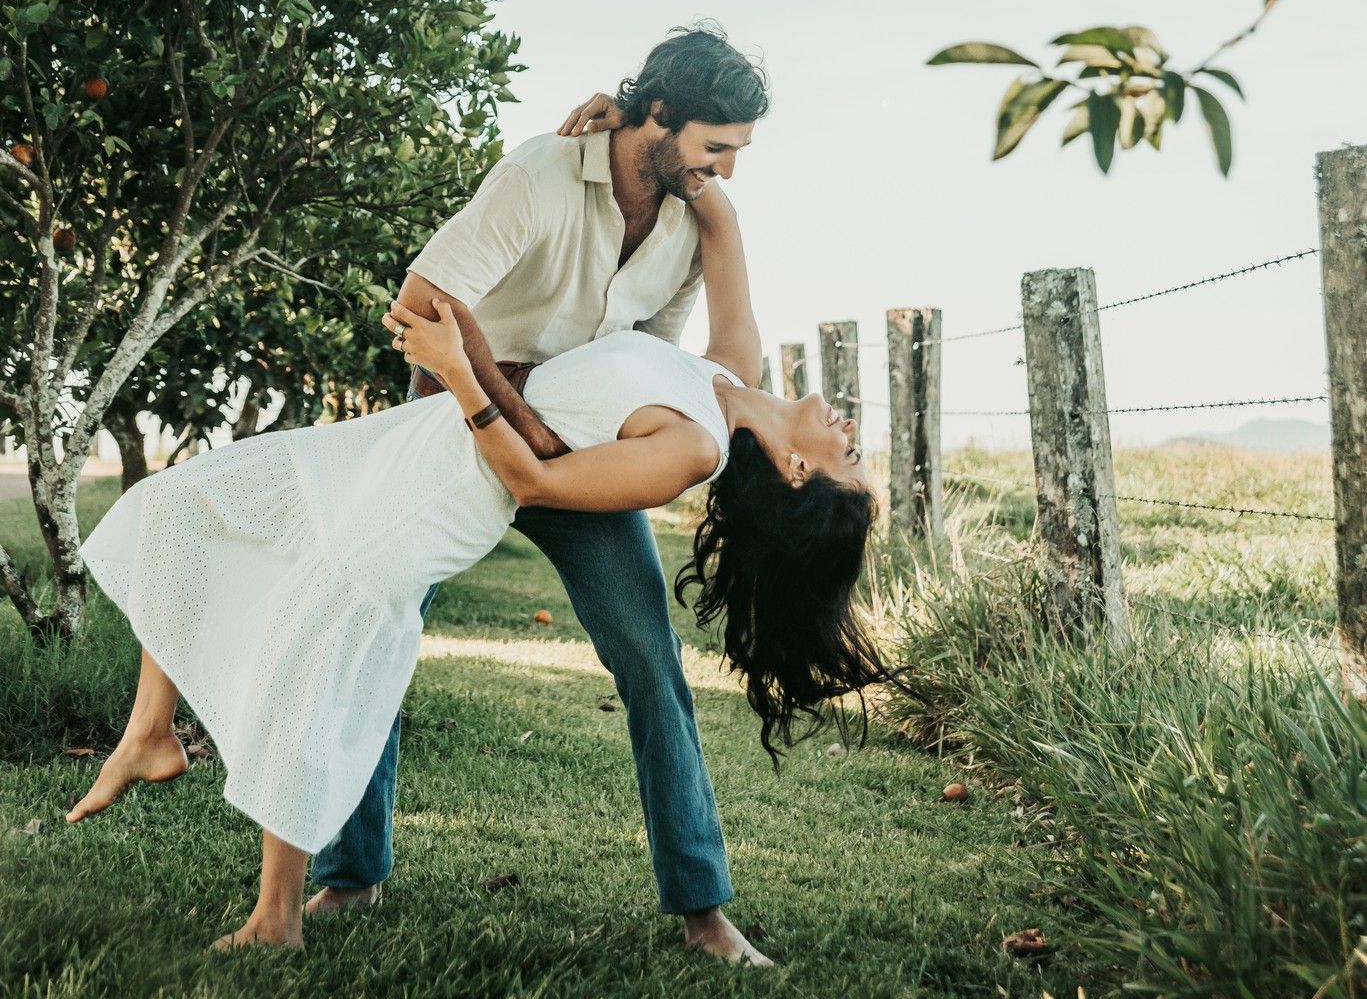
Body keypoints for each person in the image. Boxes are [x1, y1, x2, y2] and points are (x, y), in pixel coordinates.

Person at [72, 179, 890, 956]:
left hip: (461, 473)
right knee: (186, 508)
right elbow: (721, 220)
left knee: (329, 646)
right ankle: (157, 738)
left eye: (848, 455)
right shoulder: (728, 377)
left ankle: (279, 915)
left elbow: (535, 480)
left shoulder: (692, 445)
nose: (850, 427)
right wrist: (650, 116)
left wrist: (462, 369)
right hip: (413, 444)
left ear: (795, 474)